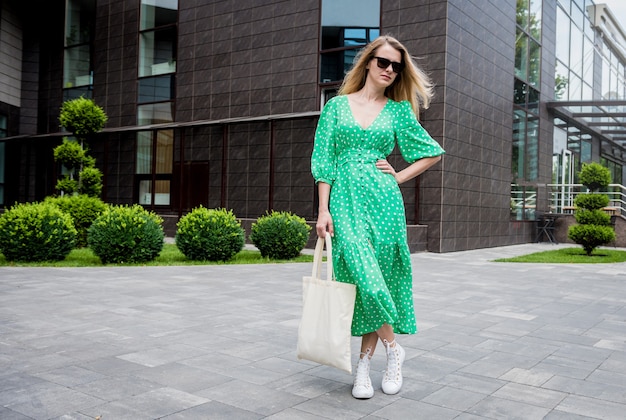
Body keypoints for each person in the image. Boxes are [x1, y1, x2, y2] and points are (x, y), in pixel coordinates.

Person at [311, 35, 445, 399]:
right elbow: (324, 163)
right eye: (383, 62)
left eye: (396, 66)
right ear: (368, 62)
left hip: (384, 203)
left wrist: (398, 177)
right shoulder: (336, 107)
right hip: (344, 202)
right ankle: (394, 348)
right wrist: (323, 210)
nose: (389, 70)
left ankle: (365, 369)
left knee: (380, 276)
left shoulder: (399, 110)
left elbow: (431, 152)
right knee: (364, 276)